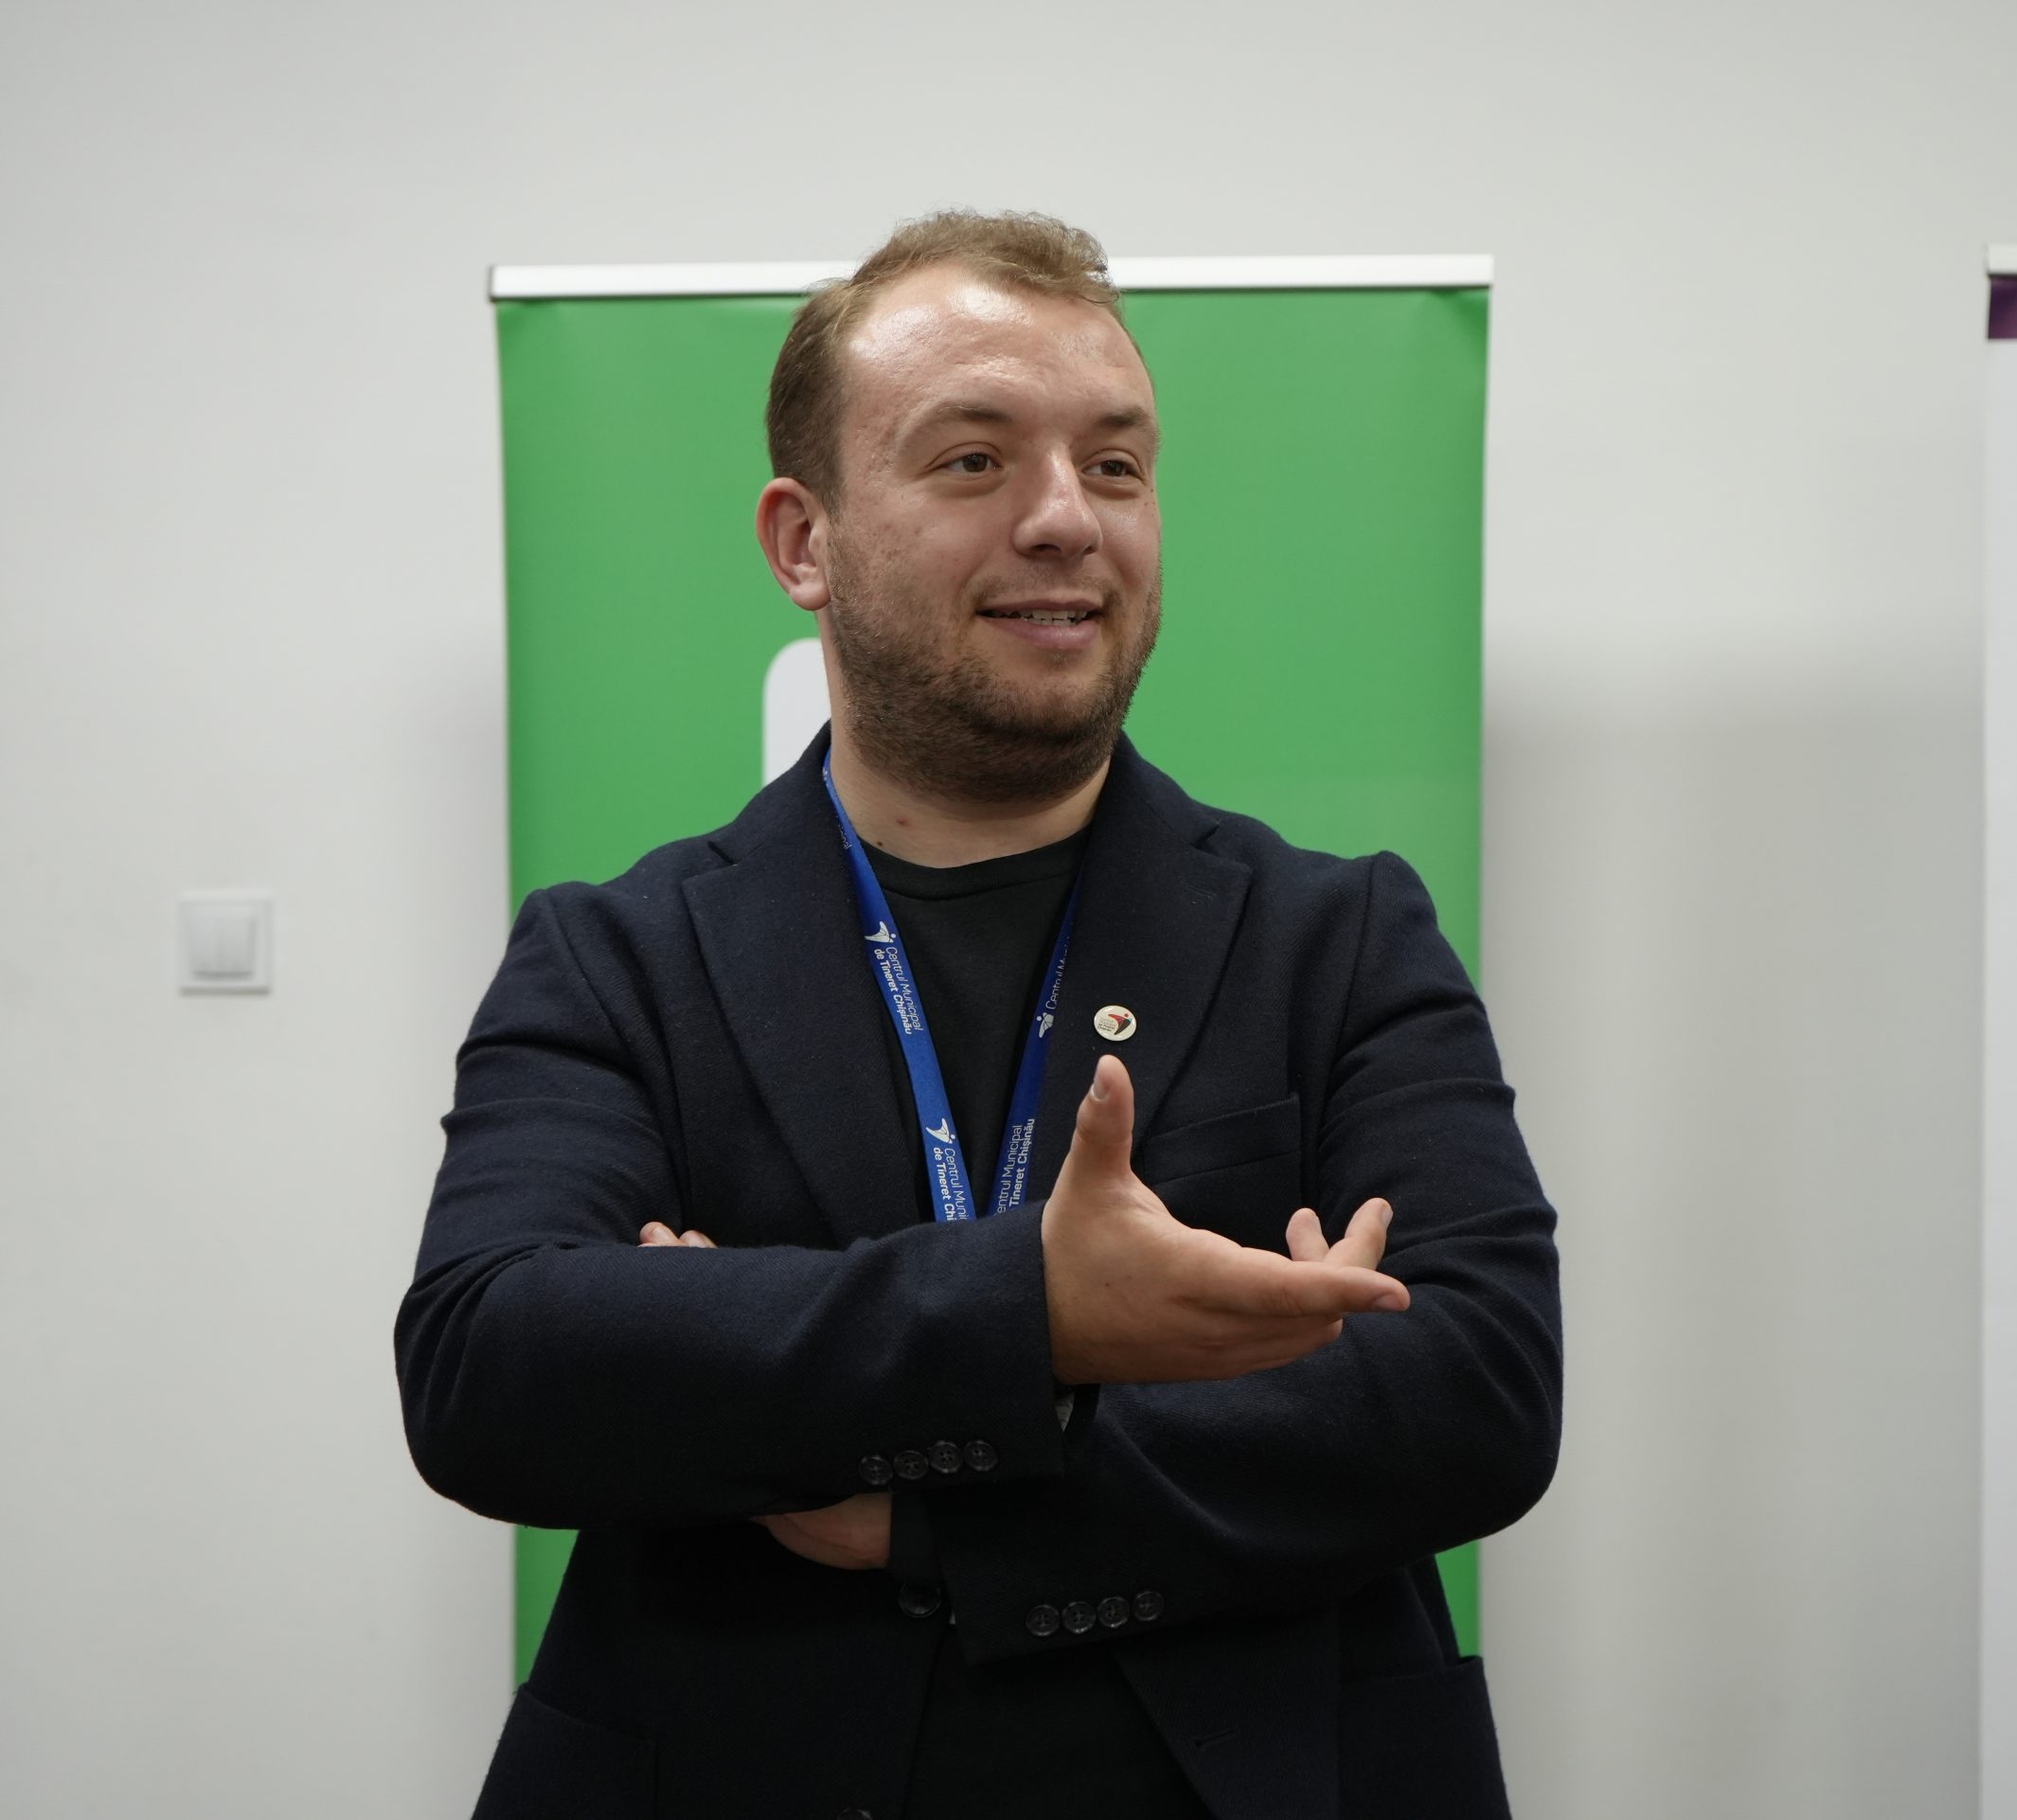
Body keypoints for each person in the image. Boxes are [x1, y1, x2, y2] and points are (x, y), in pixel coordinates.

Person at [397, 210, 1561, 1820]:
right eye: (973, 461)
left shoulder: (1339, 936)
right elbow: (497, 1365)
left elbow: (1476, 1389)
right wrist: (1045, 1309)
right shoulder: (618, 955)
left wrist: (923, 1506)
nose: (1068, 518)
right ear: (803, 541)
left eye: (1117, 465)